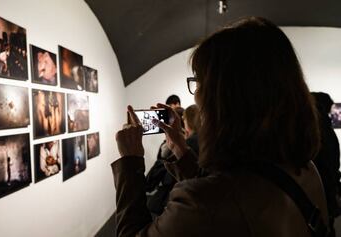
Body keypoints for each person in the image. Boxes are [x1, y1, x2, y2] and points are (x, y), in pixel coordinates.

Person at [112, 17, 329, 236]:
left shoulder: (204, 203)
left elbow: (214, 202)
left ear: (227, 98)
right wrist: (181, 151)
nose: (196, 95)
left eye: (201, 83)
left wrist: (130, 161)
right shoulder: (307, 170)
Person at [311, 92, 341, 237]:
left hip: (321, 194)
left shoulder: (317, 132)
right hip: (327, 193)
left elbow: (326, 166)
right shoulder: (327, 131)